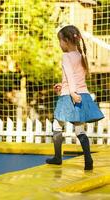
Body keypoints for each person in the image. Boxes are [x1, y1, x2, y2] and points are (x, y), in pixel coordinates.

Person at [46, 25, 104, 170]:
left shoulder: (66, 56)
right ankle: (88, 159)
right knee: (79, 129)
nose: (60, 44)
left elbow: (71, 77)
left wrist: (71, 92)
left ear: (66, 41)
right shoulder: (80, 55)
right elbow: (76, 78)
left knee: (57, 125)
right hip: (82, 94)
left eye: (60, 41)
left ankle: (58, 157)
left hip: (70, 95)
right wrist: (63, 85)